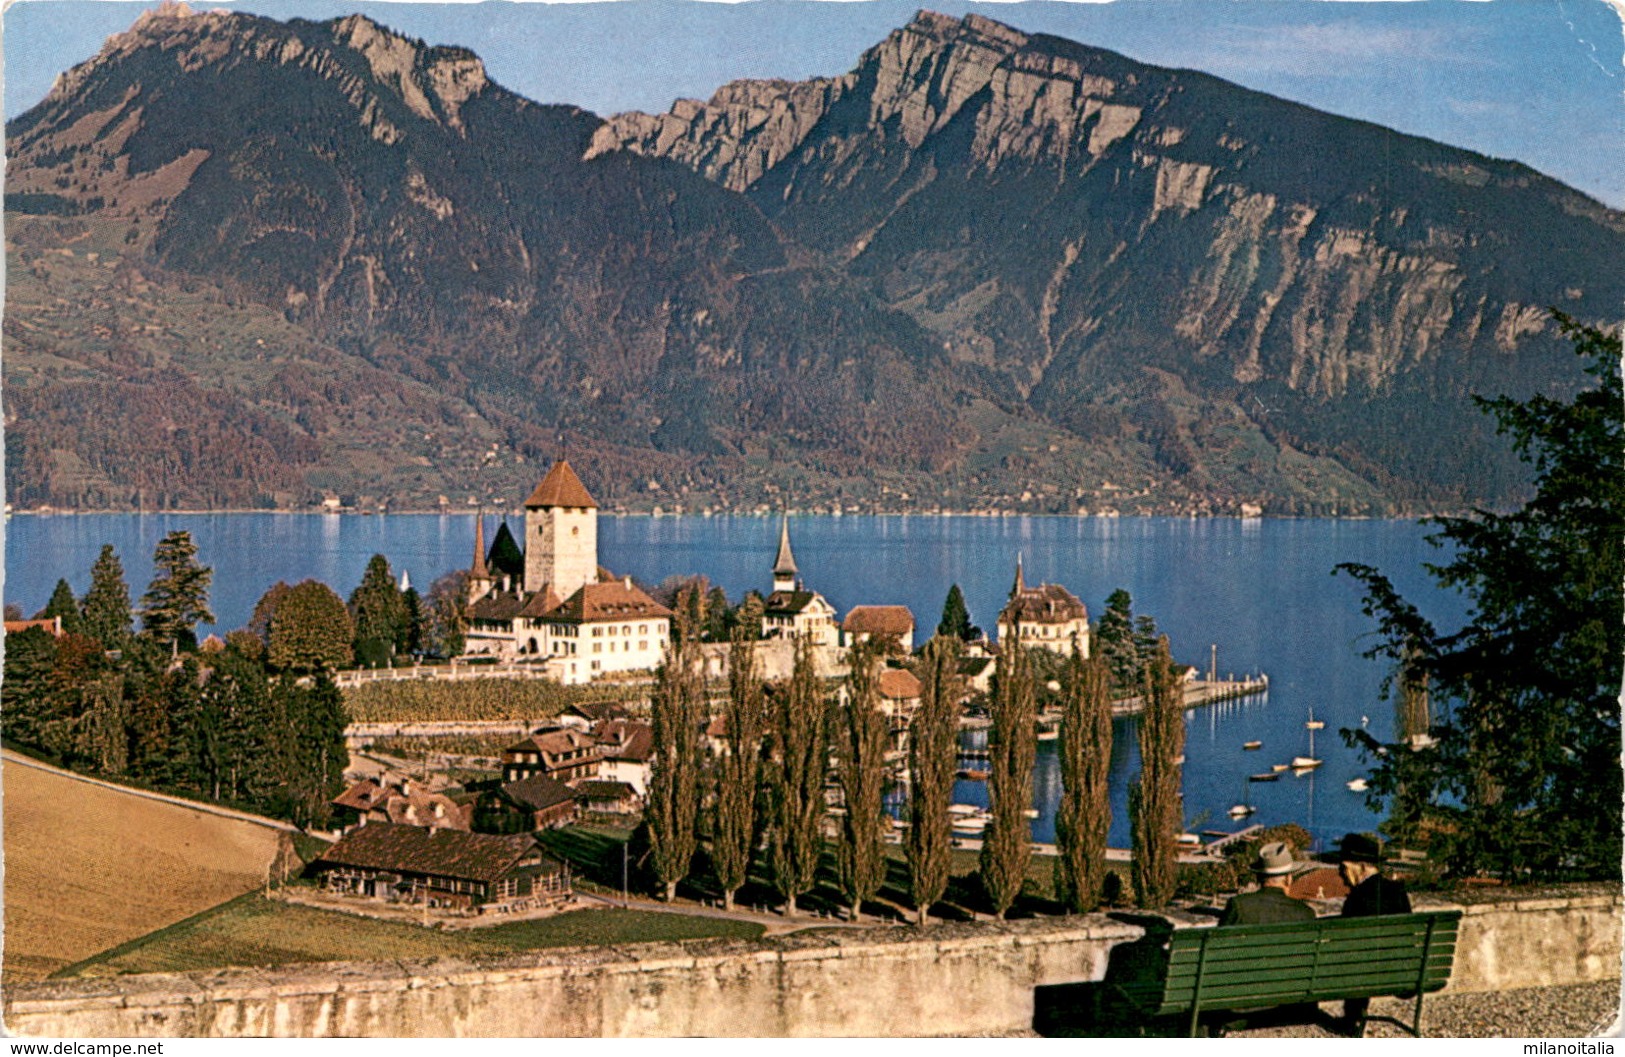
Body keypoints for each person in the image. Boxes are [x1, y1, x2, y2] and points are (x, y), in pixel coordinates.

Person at [1336, 832, 1413, 1034]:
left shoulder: (1357, 899)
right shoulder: (1398, 892)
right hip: (1403, 974)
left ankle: (1352, 1018)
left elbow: (1346, 949)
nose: (1339, 873)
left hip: (1365, 975)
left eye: (1343, 867)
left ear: (1362, 866)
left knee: (1356, 962)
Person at [1219, 841, 1316, 925]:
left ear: (1258, 877)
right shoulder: (1306, 913)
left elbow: (1218, 941)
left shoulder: (1239, 906)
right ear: (1288, 879)